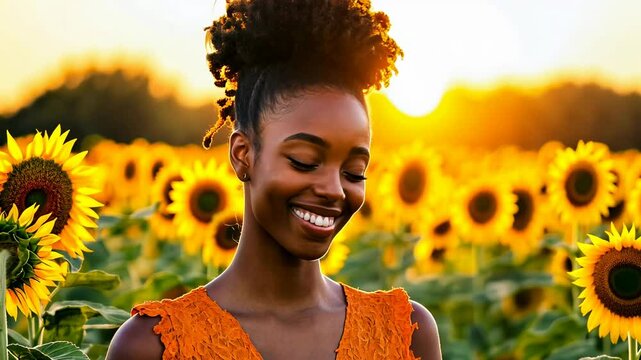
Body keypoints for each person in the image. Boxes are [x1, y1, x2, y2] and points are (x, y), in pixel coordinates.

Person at [106, 0, 442, 359]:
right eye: (304, 161)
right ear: (243, 155)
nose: (333, 189)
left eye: (353, 171)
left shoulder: (405, 333)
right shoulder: (153, 345)